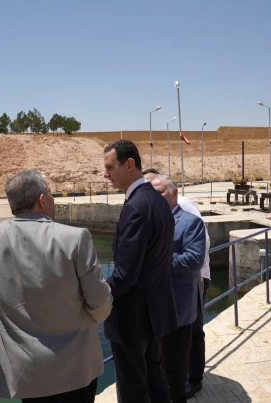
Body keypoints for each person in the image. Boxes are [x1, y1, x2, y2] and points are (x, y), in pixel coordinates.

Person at [0, 169, 112, 403]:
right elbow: (101, 303)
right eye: (51, 194)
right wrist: (93, 318)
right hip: (76, 368)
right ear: (42, 199)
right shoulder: (75, 238)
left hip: (27, 373)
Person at [103, 140, 178, 403]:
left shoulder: (135, 207)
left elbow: (125, 274)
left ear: (130, 164)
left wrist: (97, 294)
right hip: (155, 312)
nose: (105, 174)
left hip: (132, 319)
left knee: (133, 389)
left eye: (110, 167)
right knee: (155, 380)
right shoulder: (158, 201)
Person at [142, 169, 211, 398]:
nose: (155, 197)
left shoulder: (191, 222)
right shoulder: (147, 222)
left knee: (176, 371)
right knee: (155, 365)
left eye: (160, 192)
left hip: (178, 308)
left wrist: (158, 261)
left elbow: (194, 259)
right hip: (151, 308)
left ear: (174, 193)